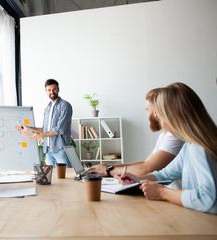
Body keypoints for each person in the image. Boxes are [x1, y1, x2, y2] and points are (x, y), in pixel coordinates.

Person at [116, 82, 217, 214]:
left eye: (160, 115)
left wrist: (162, 192)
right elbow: (165, 173)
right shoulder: (189, 146)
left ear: (173, 117)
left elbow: (206, 198)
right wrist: (138, 179)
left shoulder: (199, 148)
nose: (159, 120)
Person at [88, 88, 184, 178]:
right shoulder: (165, 135)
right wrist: (112, 166)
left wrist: (107, 171)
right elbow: (145, 163)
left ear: (157, 111)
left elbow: (146, 169)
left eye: (147, 110)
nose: (148, 115)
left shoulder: (174, 136)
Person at [15, 79, 73, 167]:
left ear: (58, 89)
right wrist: (28, 128)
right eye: (49, 90)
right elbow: (45, 129)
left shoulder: (65, 105)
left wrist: (42, 135)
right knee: (51, 179)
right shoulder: (47, 108)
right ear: (46, 91)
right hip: (48, 151)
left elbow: (59, 129)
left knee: (66, 176)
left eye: (54, 89)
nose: (52, 92)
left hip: (61, 149)